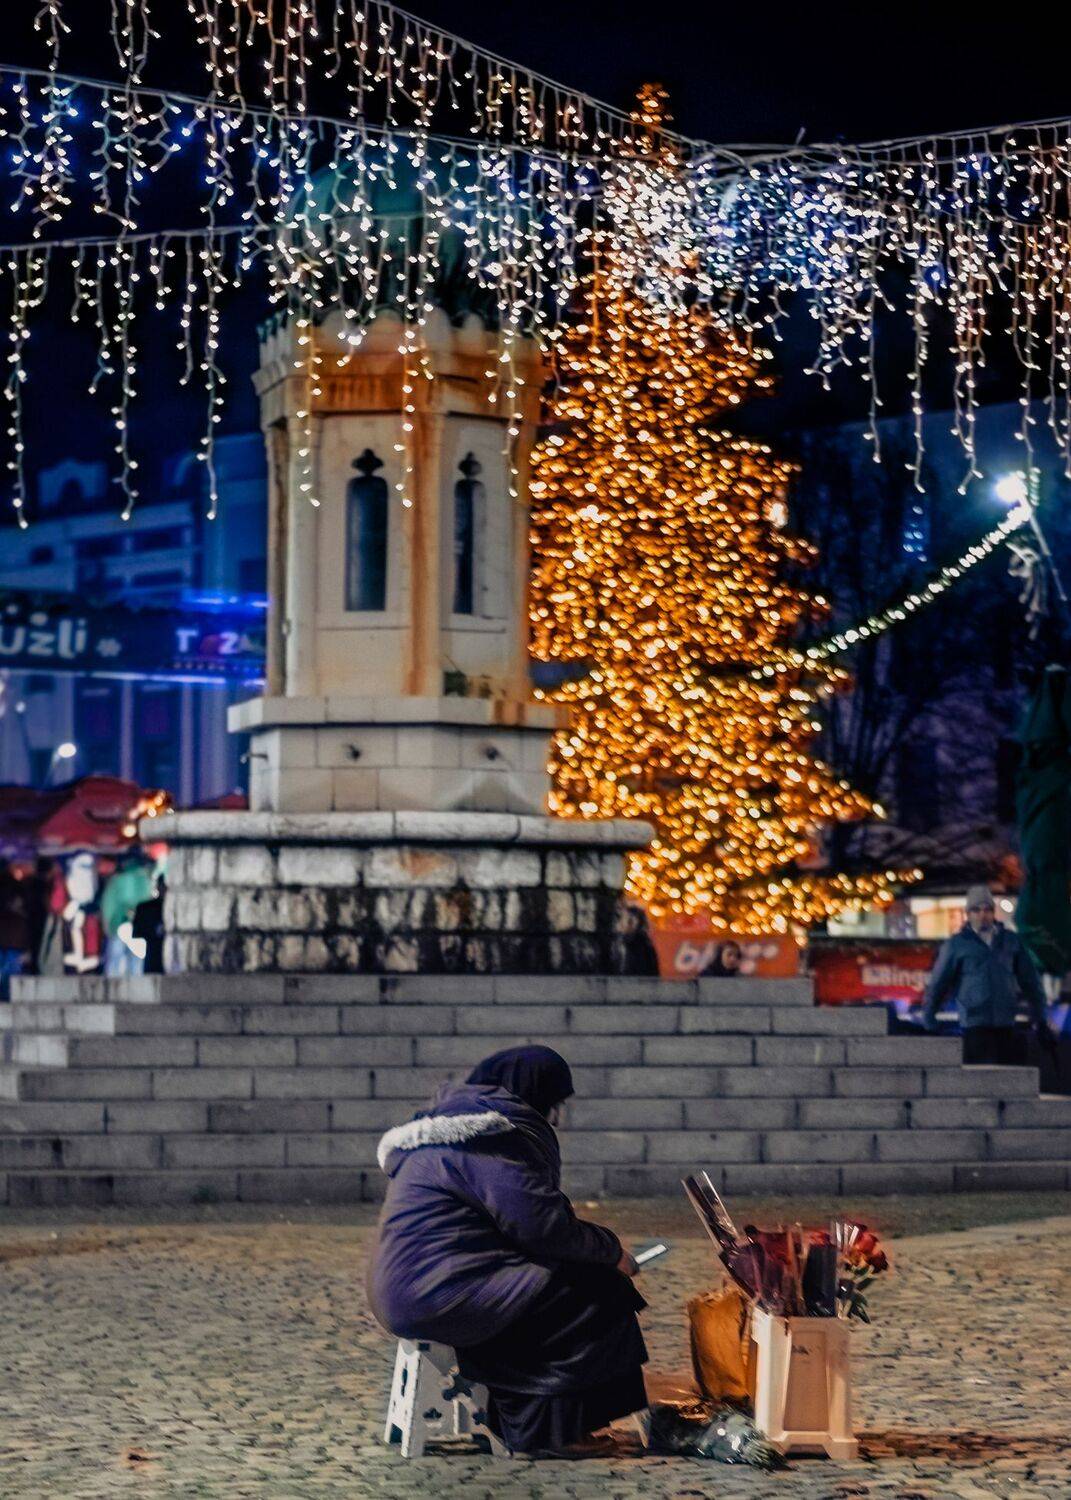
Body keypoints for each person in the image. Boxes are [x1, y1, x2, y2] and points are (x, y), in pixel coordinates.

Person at [367, 1045, 648, 1458]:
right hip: (440, 1293)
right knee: (598, 1294)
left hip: (412, 1289)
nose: (555, 1117)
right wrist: (611, 1251)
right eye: (553, 1103)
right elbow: (542, 1227)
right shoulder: (490, 1140)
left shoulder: (451, 1135)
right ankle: (550, 1433)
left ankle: (547, 1423)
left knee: (573, 1289)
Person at [921, 885, 1052, 1065]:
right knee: (979, 1076)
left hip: (1005, 1022)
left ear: (993, 912)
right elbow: (939, 983)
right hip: (974, 1025)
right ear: (968, 913)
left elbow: (1031, 982)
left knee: (1006, 1075)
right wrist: (929, 1019)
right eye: (976, 910)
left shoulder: (1011, 941)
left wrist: (1041, 1018)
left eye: (987, 909)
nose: (982, 915)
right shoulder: (956, 945)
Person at [0, 858, 29, 1000]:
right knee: (11, 969)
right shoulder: (17, 886)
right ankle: (7, 996)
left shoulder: (14, 886)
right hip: (14, 936)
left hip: (7, 935)